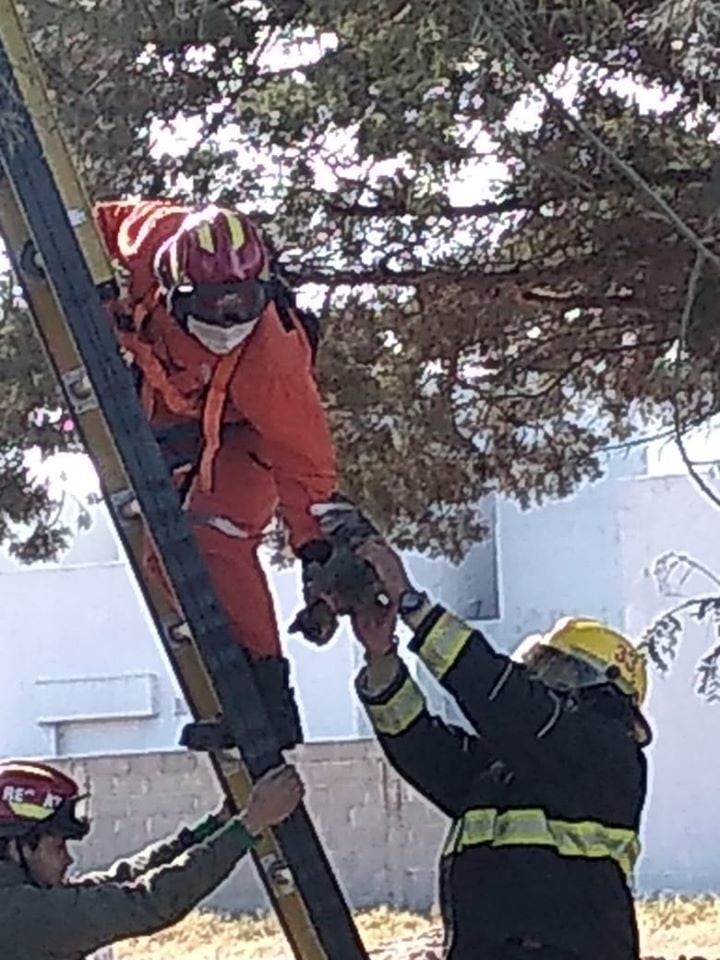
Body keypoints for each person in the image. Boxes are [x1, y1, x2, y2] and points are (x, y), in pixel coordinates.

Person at [93, 199, 341, 748]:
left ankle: (268, 700)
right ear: (174, 287)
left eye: (244, 302)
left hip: (243, 434)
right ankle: (235, 682)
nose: (230, 320)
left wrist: (317, 558)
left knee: (215, 539)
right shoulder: (150, 235)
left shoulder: (272, 359)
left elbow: (307, 466)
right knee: (162, 558)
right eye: (214, 303)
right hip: (171, 409)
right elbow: (87, 221)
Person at [349, 539, 650, 960]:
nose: (538, 680)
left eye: (555, 670)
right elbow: (421, 746)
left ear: (603, 692)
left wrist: (413, 604)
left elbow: (503, 699)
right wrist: (381, 659)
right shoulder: (505, 771)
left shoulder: (605, 755)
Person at [0, 758, 303, 960]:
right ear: (18, 848)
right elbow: (146, 901)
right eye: (57, 847)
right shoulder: (21, 916)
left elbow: (124, 879)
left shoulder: (22, 900)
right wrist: (249, 824)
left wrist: (217, 825)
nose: (68, 860)